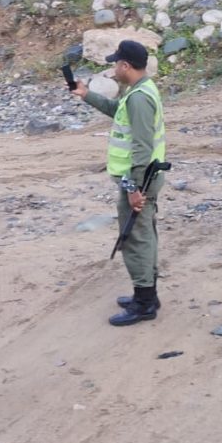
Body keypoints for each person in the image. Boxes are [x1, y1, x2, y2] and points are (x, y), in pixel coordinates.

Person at [73, 39, 167, 326]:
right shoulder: (140, 90)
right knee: (144, 235)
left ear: (126, 65)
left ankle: (144, 304)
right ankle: (148, 295)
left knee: (136, 240)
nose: (114, 68)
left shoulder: (139, 98)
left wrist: (133, 189)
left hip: (139, 180)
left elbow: (141, 149)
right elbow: (119, 112)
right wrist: (87, 94)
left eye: (116, 63)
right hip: (146, 178)